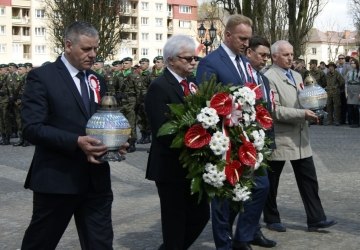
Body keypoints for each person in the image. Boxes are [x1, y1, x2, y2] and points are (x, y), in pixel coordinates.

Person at [20, 21, 127, 249]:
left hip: (96, 180)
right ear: (68, 45)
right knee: (40, 244)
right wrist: (76, 142)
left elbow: (102, 122)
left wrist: (114, 143)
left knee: (100, 244)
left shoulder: (97, 79)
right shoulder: (42, 77)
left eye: (95, 49)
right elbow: (31, 127)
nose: (93, 55)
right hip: (57, 180)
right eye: (86, 49)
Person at [196, 14, 275, 250]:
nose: (246, 44)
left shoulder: (244, 62)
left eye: (249, 39)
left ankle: (243, 237)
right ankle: (224, 245)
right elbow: (205, 100)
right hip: (225, 138)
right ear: (227, 35)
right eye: (242, 38)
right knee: (222, 196)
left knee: (261, 186)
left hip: (249, 137)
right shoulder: (212, 62)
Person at [263, 40, 337, 232]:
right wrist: (303, 114)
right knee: (272, 182)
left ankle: (316, 219)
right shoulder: (269, 77)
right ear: (274, 57)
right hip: (281, 138)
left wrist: (314, 108)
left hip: (301, 137)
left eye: (291, 54)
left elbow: (305, 99)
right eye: (285, 55)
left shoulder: (297, 75)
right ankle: (271, 218)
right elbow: (275, 110)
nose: (290, 58)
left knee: (309, 180)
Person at [145, 34, 209, 249]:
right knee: (174, 221)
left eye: (195, 59)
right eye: (187, 59)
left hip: (193, 164)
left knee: (200, 215)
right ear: (171, 60)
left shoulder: (192, 84)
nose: (193, 62)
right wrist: (200, 141)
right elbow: (162, 132)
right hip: (170, 166)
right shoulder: (160, 86)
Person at [230, 36, 277, 250]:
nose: (266, 59)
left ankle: (251, 232)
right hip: (240, 142)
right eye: (262, 55)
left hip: (261, 144)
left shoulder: (264, 79)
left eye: (268, 56)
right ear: (249, 53)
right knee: (248, 189)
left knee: (260, 188)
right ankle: (239, 236)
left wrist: (269, 141)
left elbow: (267, 112)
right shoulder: (238, 77)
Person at [324, 62, 344, 126]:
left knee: (336, 107)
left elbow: (342, 82)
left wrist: (337, 87)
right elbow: (325, 82)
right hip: (329, 92)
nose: (330, 67)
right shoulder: (327, 74)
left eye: (331, 66)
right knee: (329, 107)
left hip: (336, 93)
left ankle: (336, 121)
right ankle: (329, 120)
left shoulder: (337, 74)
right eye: (329, 66)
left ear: (333, 67)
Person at [345, 58, 360, 127]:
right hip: (350, 89)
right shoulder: (349, 72)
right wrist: (346, 92)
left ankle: (357, 122)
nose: (352, 64)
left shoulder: (359, 72)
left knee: (356, 107)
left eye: (353, 63)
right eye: (351, 63)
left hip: (357, 88)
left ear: (356, 64)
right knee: (350, 106)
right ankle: (351, 121)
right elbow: (346, 83)